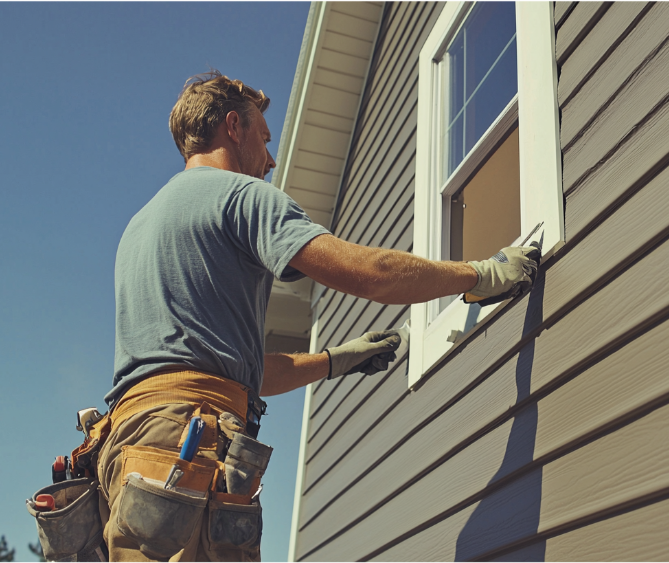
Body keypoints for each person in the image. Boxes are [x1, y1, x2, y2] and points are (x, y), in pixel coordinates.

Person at [95, 71, 539, 562]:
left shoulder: (139, 228)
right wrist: (478, 275)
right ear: (232, 129)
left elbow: (223, 372)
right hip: (186, 445)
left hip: (130, 456)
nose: (271, 158)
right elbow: (371, 275)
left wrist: (337, 360)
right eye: (264, 138)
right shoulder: (240, 197)